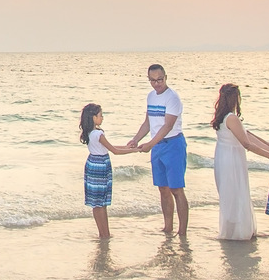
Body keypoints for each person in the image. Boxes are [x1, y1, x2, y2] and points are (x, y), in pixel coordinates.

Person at [210, 83, 269, 241]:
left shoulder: (224, 117)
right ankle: (236, 233)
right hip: (231, 160)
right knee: (235, 194)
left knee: (233, 193)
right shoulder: (231, 118)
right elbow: (246, 143)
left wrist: (268, 146)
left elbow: (247, 134)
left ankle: (237, 230)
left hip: (225, 157)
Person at [131, 64, 188, 238]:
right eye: (153, 80)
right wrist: (136, 139)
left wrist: (149, 144)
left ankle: (182, 232)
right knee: (162, 189)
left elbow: (167, 125)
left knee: (176, 189)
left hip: (173, 144)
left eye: (160, 80)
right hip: (157, 147)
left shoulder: (172, 98)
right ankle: (168, 226)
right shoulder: (151, 97)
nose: (157, 84)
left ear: (166, 77)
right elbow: (148, 123)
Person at [80, 102, 136, 239]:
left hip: (93, 163)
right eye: (100, 115)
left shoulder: (89, 133)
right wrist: (135, 150)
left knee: (97, 203)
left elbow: (109, 148)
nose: (102, 118)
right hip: (100, 166)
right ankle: (105, 234)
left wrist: (127, 147)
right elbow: (114, 151)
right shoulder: (98, 133)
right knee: (101, 203)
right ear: (94, 117)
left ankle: (103, 233)